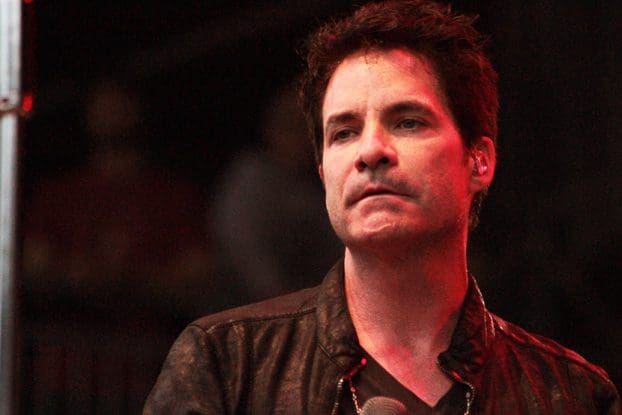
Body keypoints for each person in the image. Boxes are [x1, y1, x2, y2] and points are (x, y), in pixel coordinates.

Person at [144, 1, 621, 413]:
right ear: (323, 174)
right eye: (343, 132)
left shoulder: (571, 395)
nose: (370, 151)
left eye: (408, 121)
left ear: (479, 161)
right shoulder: (227, 363)